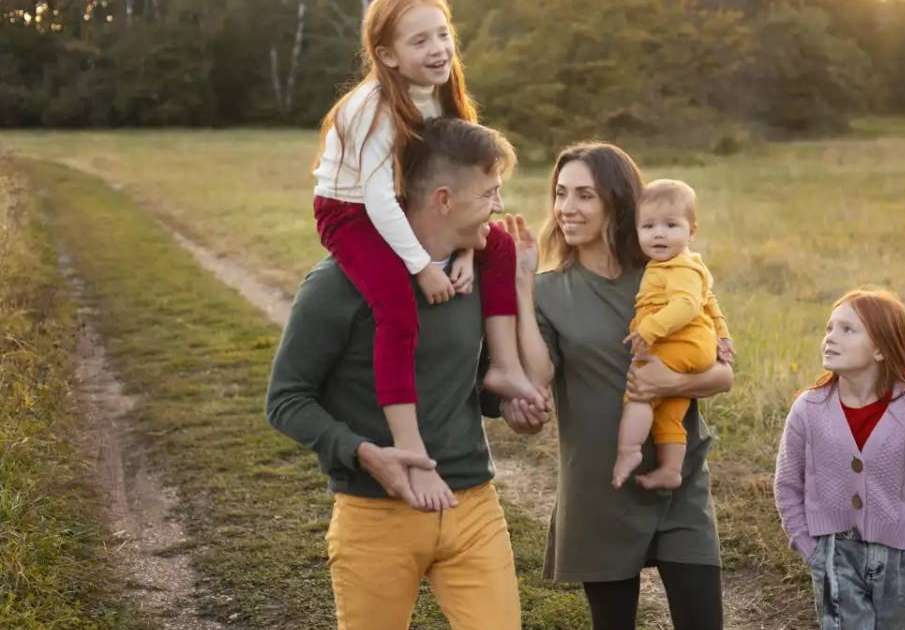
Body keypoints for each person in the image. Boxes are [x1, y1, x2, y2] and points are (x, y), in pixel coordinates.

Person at [268, 118, 528, 630]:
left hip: (473, 505)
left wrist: (507, 402)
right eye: (489, 194)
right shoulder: (337, 286)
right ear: (444, 199)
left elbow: (470, 380)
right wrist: (363, 453)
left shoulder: (472, 272)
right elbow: (286, 400)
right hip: (374, 514)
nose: (499, 206)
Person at [310, 0, 541, 510]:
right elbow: (374, 200)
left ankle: (501, 367)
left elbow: (456, 176)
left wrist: (465, 246)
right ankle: (409, 444)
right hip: (349, 214)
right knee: (397, 308)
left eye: (442, 35)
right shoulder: (370, 107)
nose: (438, 49)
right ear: (387, 56)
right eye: (420, 41)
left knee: (498, 242)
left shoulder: (440, 92)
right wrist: (420, 266)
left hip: (396, 203)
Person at [500, 143, 734, 630]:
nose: (567, 208)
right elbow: (539, 376)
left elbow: (723, 375)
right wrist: (523, 289)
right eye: (561, 194)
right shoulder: (549, 290)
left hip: (678, 478)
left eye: (584, 195)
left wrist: (673, 380)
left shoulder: (665, 275)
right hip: (599, 486)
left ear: (617, 201)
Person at [773, 288, 905, 630]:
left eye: (847, 330)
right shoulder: (809, 410)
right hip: (833, 553)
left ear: (880, 349)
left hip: (901, 559)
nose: (830, 338)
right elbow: (787, 484)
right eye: (829, 328)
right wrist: (809, 548)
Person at [612, 179, 734, 490]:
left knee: (641, 391)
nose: (659, 233)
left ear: (692, 231)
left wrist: (650, 329)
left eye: (671, 225)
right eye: (648, 226)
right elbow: (710, 302)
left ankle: (628, 451)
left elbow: (688, 304)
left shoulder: (678, 268)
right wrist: (723, 335)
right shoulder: (691, 265)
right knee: (669, 414)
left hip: (680, 343)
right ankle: (670, 469)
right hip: (696, 348)